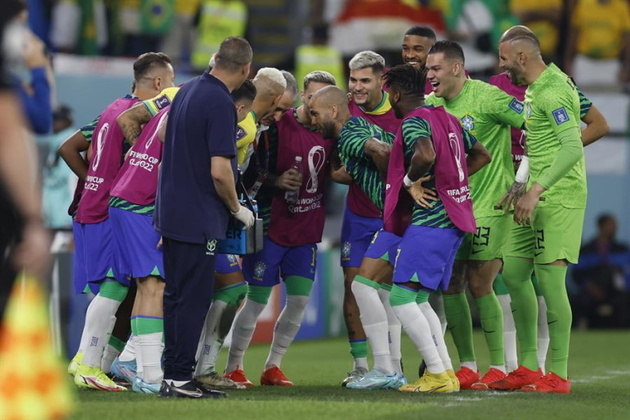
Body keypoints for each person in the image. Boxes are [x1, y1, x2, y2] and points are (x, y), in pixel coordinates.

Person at [489, 24, 609, 373]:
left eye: (504, 58)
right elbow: (537, 144)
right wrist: (520, 185)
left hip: (559, 196)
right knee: (512, 274)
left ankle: (557, 372)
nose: (500, 66)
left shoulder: (554, 91)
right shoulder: (533, 90)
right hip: (532, 193)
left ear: (522, 57)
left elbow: (571, 146)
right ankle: (527, 366)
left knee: (550, 281)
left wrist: (539, 187)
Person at [61, 52, 175, 392]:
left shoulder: (112, 109)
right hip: (107, 211)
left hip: (94, 204)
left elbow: (70, 148)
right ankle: (86, 361)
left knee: (119, 286)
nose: (170, 91)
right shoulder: (138, 119)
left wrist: (90, 182)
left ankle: (102, 363)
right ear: (158, 83)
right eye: (168, 84)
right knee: (114, 286)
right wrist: (102, 185)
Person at [424, 40, 526, 390]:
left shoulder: (487, 96)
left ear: (456, 68)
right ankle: (467, 365)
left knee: (481, 283)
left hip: (490, 206)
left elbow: (534, 121)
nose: (430, 75)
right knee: (451, 284)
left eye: (435, 68)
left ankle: (498, 366)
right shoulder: (431, 104)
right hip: (451, 208)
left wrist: (526, 178)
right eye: (427, 70)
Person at [155, 36, 254, 399]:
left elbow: (164, 133)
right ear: (245, 70)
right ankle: (180, 378)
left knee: (177, 296)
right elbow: (220, 171)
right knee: (193, 298)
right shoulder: (220, 102)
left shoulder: (187, 90)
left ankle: (174, 375)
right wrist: (236, 209)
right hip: (200, 217)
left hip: (172, 211)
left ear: (215, 60)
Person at [382, 65, 491, 393]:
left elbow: (425, 154)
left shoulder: (416, 120)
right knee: (419, 298)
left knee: (400, 297)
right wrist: (450, 183)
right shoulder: (448, 117)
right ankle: (445, 372)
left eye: (390, 95)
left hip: (432, 221)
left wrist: (408, 181)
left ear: (396, 94)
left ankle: (438, 375)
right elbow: (482, 155)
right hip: (454, 220)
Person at [224, 70, 335, 387]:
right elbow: (249, 174)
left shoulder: (332, 131)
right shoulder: (275, 125)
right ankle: (234, 366)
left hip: (306, 230)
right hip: (272, 227)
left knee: (299, 300)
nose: (319, 103)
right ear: (302, 94)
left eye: (327, 97)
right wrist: (275, 181)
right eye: (314, 95)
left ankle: (273, 366)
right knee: (256, 300)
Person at [308, 72, 402, 390]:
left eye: (316, 113)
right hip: (397, 216)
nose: (313, 119)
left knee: (368, 287)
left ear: (333, 111)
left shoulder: (349, 134)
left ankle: (390, 369)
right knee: (394, 293)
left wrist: (396, 189)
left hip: (395, 217)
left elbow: (384, 153)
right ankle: (406, 367)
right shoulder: (357, 128)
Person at [340, 50, 402, 385]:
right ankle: (361, 365)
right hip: (357, 214)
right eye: (353, 80)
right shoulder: (346, 109)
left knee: (386, 290)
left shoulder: (401, 112)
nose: (358, 87)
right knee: (354, 287)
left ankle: (392, 362)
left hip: (390, 216)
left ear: (382, 79)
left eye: (365, 80)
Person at [572, 214, 630, 328]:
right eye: (610, 225)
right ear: (600, 226)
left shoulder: (621, 249)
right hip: (590, 291)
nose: (613, 228)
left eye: (614, 225)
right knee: (577, 301)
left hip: (616, 292)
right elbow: (577, 274)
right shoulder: (587, 250)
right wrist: (589, 286)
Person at [401, 25, 436, 95]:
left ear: (434, 50)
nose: (410, 55)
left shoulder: (444, 85)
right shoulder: (390, 82)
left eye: (418, 49)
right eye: (405, 48)